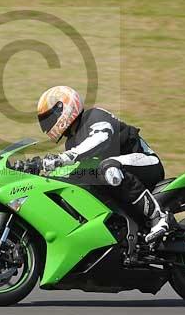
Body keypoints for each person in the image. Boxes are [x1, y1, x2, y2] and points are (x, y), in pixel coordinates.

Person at [36, 85, 174, 243]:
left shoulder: (94, 116)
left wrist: (62, 158)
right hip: (122, 176)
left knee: (108, 167)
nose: (47, 123)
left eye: (49, 117)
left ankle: (159, 216)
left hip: (146, 163)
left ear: (65, 107)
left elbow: (100, 139)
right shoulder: (71, 142)